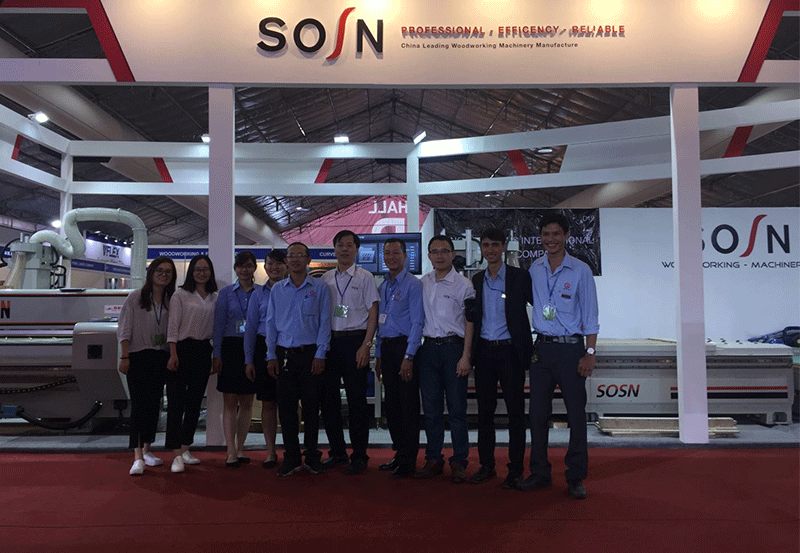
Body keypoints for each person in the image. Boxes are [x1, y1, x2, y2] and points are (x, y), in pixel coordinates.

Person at [521, 212, 599, 500]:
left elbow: (590, 316)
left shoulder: (580, 271)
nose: (550, 239)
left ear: (566, 236)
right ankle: (539, 472)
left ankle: (575, 475)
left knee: (576, 415)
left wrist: (589, 353)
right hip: (542, 349)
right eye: (546, 234)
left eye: (556, 234)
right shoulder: (535, 268)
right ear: (540, 237)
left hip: (571, 350)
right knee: (537, 415)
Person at [468, 229, 533, 489]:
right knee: (485, 414)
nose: (491, 249)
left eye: (495, 244)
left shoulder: (520, 277)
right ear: (481, 249)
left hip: (510, 353)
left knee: (516, 414)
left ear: (504, 247)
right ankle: (487, 466)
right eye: (486, 245)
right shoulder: (476, 280)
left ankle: (515, 470)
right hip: (484, 352)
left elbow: (540, 305)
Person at [266, 242, 332, 477]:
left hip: (311, 355)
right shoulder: (277, 290)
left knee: (312, 408)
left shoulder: (320, 288)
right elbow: (271, 324)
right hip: (284, 356)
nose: (295, 259)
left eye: (300, 255)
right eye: (291, 255)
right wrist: (270, 355)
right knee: (286, 410)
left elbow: (325, 323)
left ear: (308, 260)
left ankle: (312, 455)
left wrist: (321, 354)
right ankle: (292, 456)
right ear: (286, 260)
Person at [415, 235, 475, 483]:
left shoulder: (464, 285)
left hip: (454, 350)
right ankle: (433, 458)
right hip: (428, 350)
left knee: (457, 410)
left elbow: (470, 323)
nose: (439, 256)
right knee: (431, 410)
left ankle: (459, 461)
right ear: (429, 255)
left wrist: (466, 356)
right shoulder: (423, 283)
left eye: (444, 251)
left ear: (452, 254)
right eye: (435, 251)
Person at [320, 230, 380, 475]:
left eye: (349, 245)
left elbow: (373, 312)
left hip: (356, 342)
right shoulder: (325, 278)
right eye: (340, 245)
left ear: (356, 249)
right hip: (330, 343)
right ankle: (337, 452)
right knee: (329, 401)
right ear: (334, 249)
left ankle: (359, 455)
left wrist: (366, 345)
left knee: (357, 402)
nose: (344, 249)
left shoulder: (365, 277)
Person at [117, 256, 177, 476]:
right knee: (139, 406)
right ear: (151, 273)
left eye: (168, 272)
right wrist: (124, 357)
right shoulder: (136, 298)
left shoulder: (172, 299)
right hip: (138, 356)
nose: (163, 275)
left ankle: (147, 449)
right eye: (159, 270)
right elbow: (124, 329)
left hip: (161, 356)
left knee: (154, 405)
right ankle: (137, 455)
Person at [375, 238, 424, 478]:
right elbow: (380, 322)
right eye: (387, 253)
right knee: (392, 406)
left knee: (408, 406)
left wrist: (409, 356)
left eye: (396, 253)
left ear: (405, 256)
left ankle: (408, 460)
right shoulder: (383, 285)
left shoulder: (413, 285)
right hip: (387, 349)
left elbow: (417, 322)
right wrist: (378, 355)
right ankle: (399, 452)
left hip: (405, 349)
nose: (391, 257)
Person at [166, 254, 218, 473]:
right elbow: (173, 326)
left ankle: (186, 447)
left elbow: (216, 329)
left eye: (205, 269)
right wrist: (173, 353)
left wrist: (215, 356)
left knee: (195, 403)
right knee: (176, 403)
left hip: (203, 350)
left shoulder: (214, 297)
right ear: (191, 272)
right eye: (197, 269)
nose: (201, 273)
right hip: (181, 350)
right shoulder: (180, 295)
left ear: (210, 272)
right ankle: (175, 453)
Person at [213, 251, 258, 468]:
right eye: (240, 266)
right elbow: (218, 325)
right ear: (235, 269)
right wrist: (217, 354)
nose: (244, 270)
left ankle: (241, 447)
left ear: (254, 268)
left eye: (248, 265)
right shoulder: (226, 293)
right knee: (230, 401)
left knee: (247, 401)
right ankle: (230, 450)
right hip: (230, 348)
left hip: (254, 348)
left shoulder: (261, 292)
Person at [244, 249, 288, 469]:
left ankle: (292, 449)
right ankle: (270, 451)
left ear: (286, 265)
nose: (274, 267)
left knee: (291, 402)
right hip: (264, 348)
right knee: (268, 402)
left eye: (278, 263)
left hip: (289, 346)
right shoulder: (257, 294)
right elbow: (250, 328)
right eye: (270, 263)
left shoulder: (293, 289)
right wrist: (249, 360)